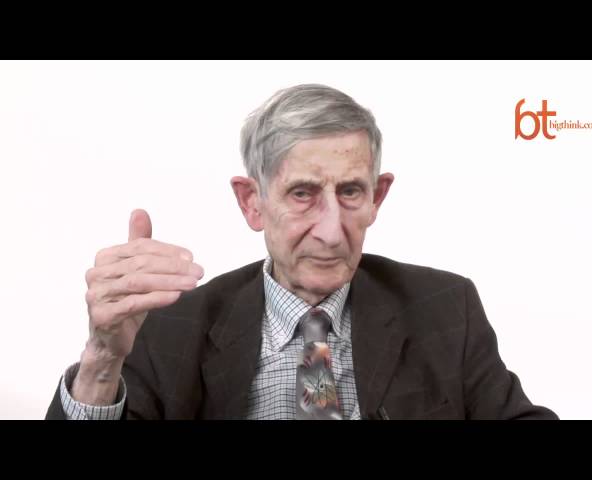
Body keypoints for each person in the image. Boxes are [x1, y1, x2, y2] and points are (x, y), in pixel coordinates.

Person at [46, 83, 558, 420]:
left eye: (350, 192)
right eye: (303, 194)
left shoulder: (445, 307)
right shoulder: (169, 327)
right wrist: (102, 360)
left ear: (377, 197)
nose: (332, 233)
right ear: (252, 202)